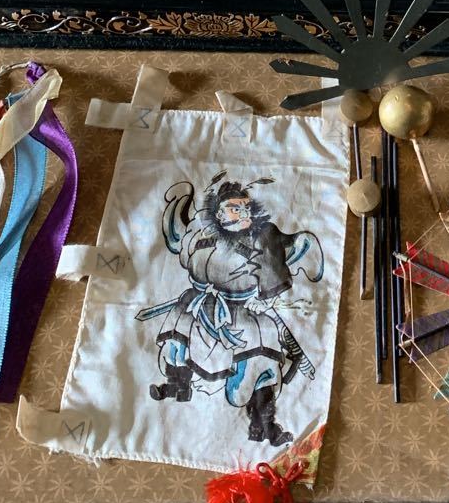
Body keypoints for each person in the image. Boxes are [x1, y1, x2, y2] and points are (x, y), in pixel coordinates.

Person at [139, 173, 324, 447]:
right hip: (201, 303)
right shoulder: (202, 233)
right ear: (219, 212)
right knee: (179, 337)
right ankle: (178, 384)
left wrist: (264, 298)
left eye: (245, 207)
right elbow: (185, 251)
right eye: (234, 208)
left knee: (261, 357)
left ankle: (264, 422)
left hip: (246, 309)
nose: (242, 213)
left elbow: (273, 269)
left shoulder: (264, 236)